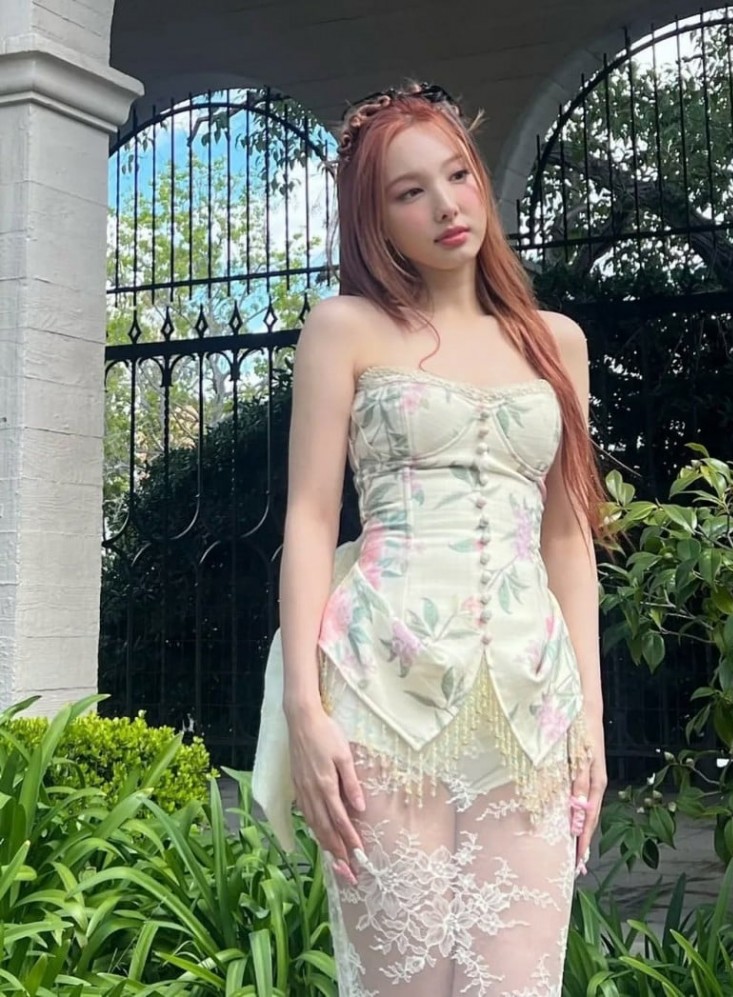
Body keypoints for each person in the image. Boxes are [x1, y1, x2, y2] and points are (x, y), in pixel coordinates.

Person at [253, 81, 607, 996]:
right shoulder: (345, 329)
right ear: (374, 218)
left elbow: (568, 538)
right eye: (410, 191)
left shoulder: (557, 343)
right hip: (381, 692)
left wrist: (593, 721)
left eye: (457, 174)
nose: (447, 205)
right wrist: (305, 708)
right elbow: (308, 517)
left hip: (533, 705)